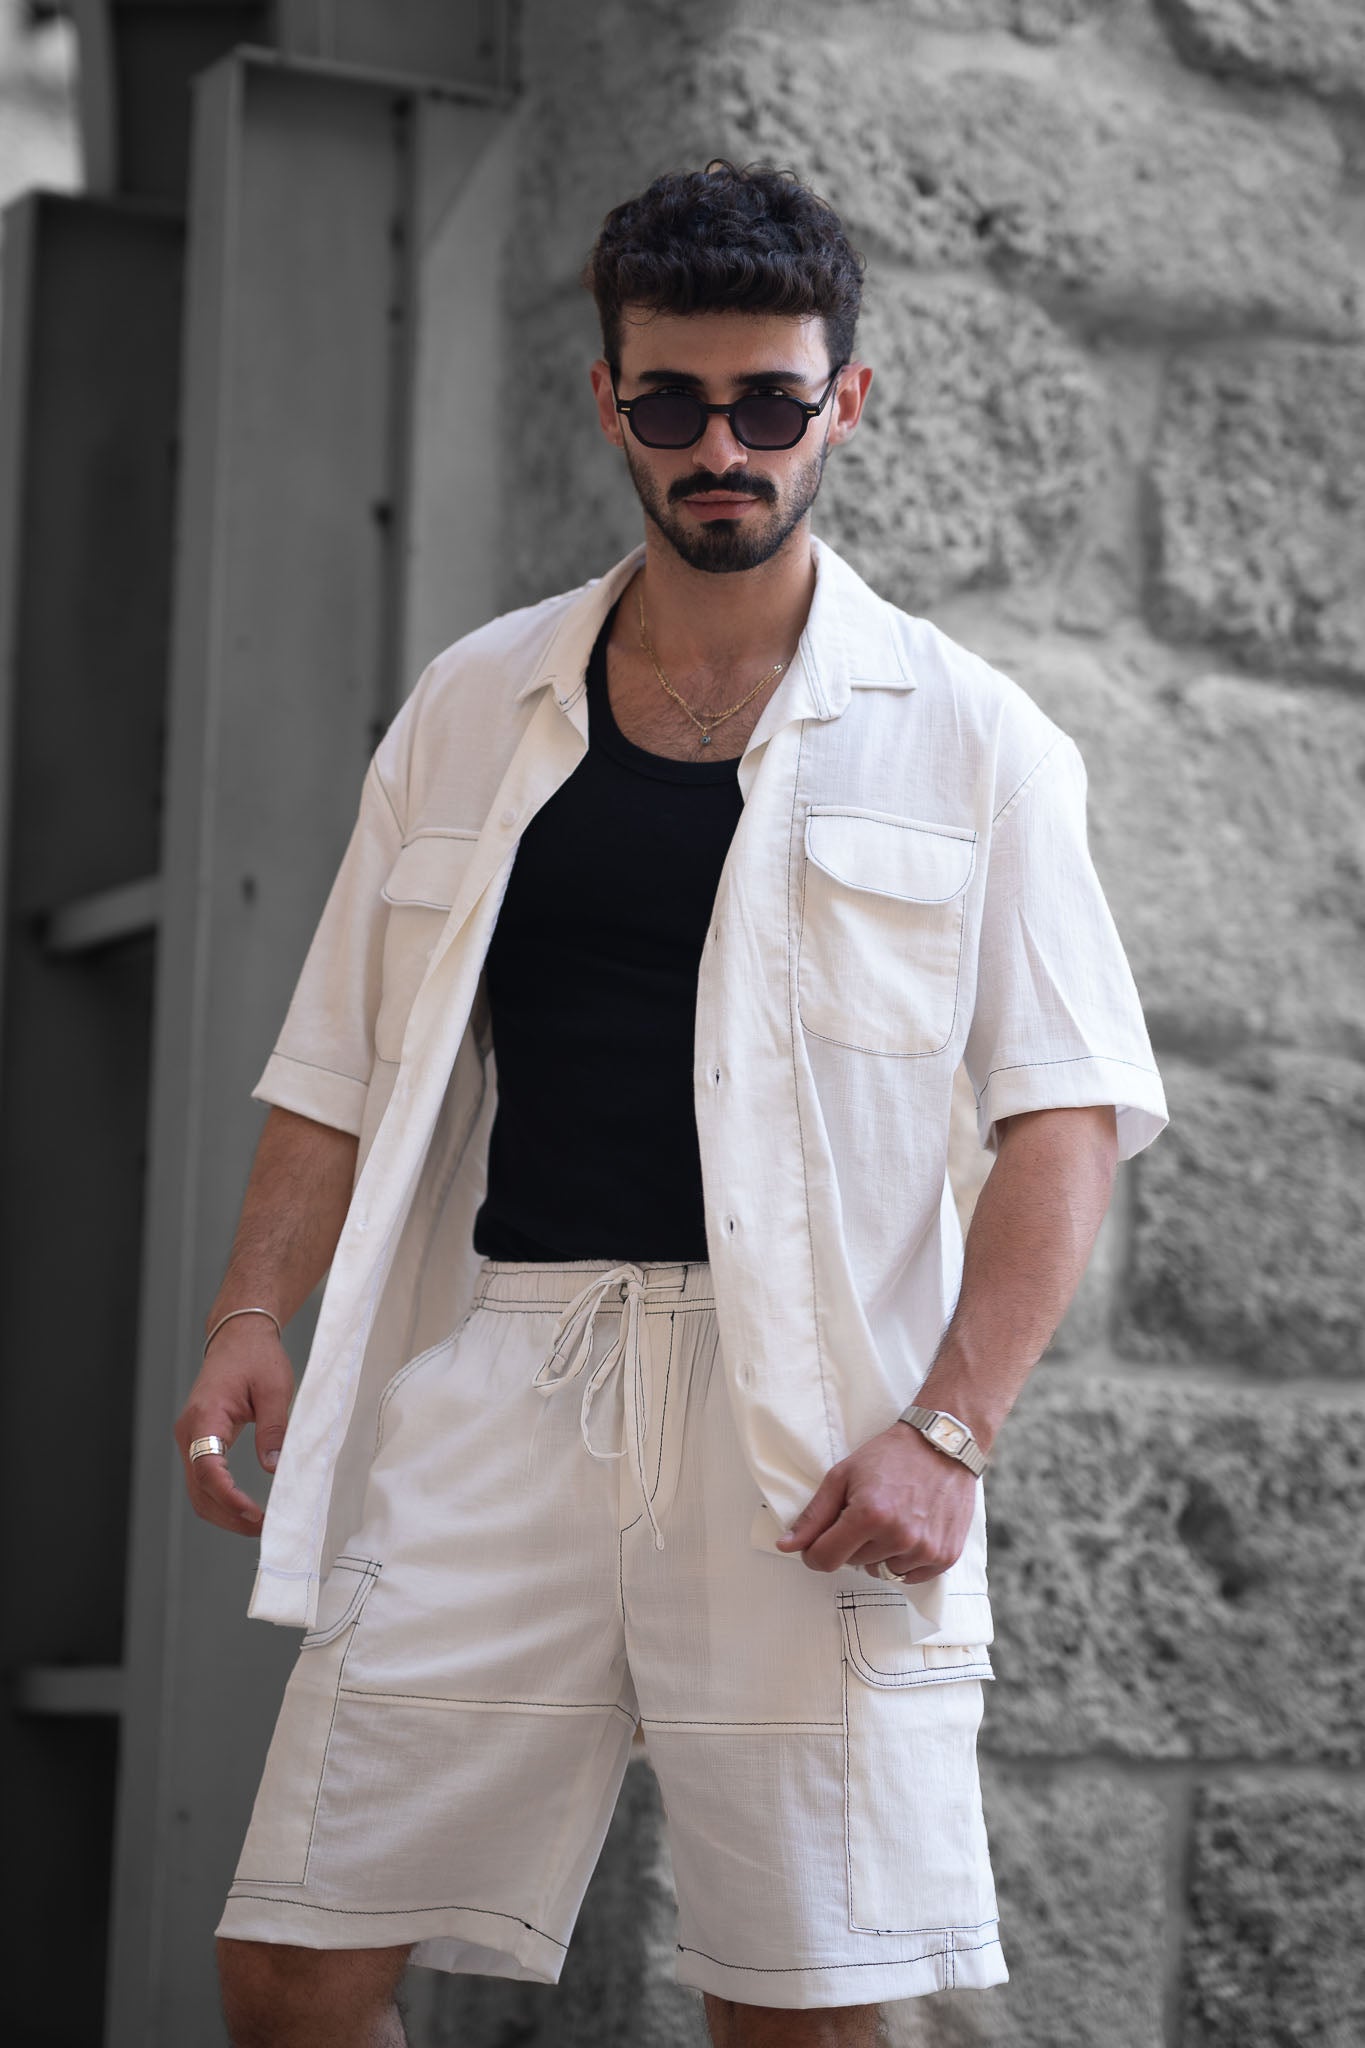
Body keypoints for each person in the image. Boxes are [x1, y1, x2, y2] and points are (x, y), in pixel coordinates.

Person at [178, 161, 1168, 2048]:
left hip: (811, 1430)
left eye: (770, 405)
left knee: (796, 2008)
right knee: (294, 1968)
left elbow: (1066, 1117)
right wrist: (249, 1311)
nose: (724, 448)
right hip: (510, 1385)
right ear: (608, 400)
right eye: (675, 403)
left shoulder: (973, 738)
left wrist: (948, 1433)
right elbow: (338, 1058)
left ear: (843, 401)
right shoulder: (471, 706)